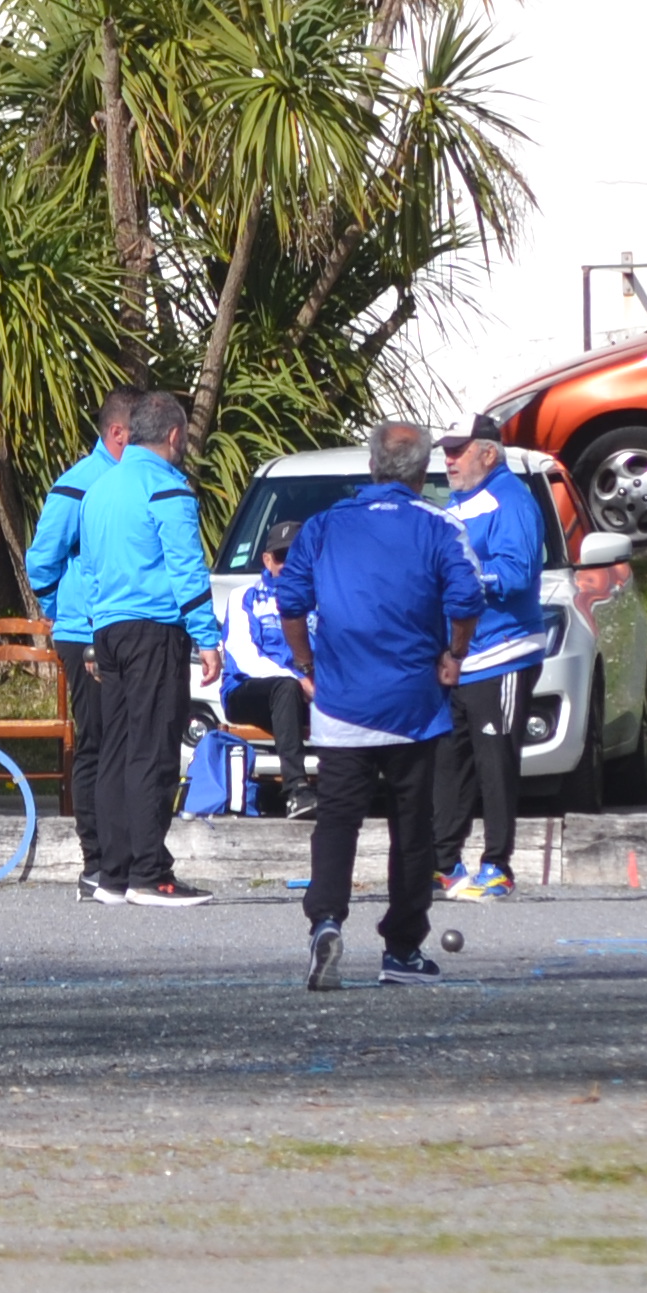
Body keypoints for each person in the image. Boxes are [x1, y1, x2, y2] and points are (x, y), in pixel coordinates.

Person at [259, 419, 485, 991]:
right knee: (413, 826)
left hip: (342, 699)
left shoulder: (325, 526)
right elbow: (467, 597)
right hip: (414, 701)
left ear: (372, 466)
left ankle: (326, 919)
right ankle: (402, 948)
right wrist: (454, 655)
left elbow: (291, 601)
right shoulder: (440, 525)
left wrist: (307, 663)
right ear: (422, 471)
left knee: (337, 819)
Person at [63, 387, 226, 906]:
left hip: (106, 630)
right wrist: (207, 636)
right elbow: (185, 567)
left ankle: (112, 870)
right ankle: (151, 872)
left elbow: (86, 571)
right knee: (153, 749)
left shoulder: (99, 491)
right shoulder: (167, 488)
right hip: (154, 628)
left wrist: (91, 638)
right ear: (175, 436)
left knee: (114, 748)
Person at [434, 422, 558, 901]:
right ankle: (443, 861)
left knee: (495, 761)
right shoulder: (457, 502)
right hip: (461, 657)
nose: (448, 461)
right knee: (450, 761)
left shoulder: (512, 498)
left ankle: (497, 865)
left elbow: (517, 572)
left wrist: (461, 577)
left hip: (504, 651)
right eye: (445, 451)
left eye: (457, 451)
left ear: (488, 453)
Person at [20, 395, 132, 900]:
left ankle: (122, 853)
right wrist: (62, 607)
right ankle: (95, 859)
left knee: (124, 741)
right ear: (117, 434)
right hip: (84, 633)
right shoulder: (78, 484)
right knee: (97, 740)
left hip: (121, 627)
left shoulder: (134, 483)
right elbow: (42, 559)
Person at [218, 526, 311, 813]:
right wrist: (300, 680)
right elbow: (245, 656)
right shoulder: (242, 596)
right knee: (285, 689)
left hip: (309, 690)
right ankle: (297, 789)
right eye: (283, 557)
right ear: (267, 560)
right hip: (247, 690)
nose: (289, 565)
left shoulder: (321, 597)